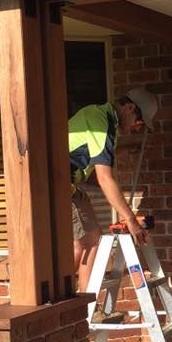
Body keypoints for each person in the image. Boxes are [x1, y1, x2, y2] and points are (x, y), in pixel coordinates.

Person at [69, 87, 158, 292]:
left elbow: (87, 155)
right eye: (139, 122)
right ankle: (59, 301)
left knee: (93, 241)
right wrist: (131, 220)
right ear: (129, 107)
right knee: (82, 244)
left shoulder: (106, 122)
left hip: (70, 185)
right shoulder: (100, 121)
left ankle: (85, 305)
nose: (137, 128)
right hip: (53, 183)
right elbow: (104, 179)